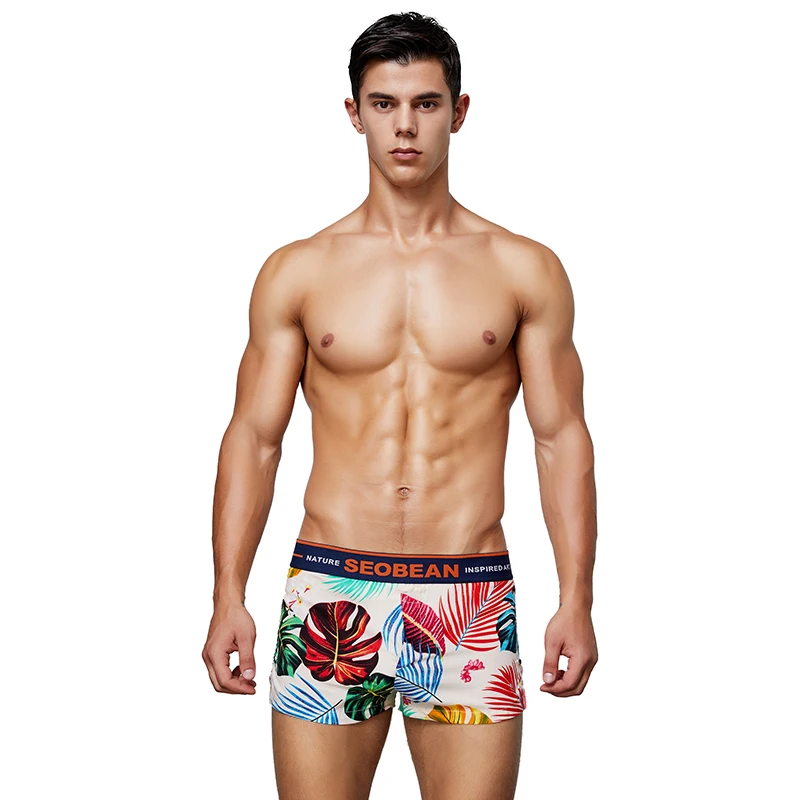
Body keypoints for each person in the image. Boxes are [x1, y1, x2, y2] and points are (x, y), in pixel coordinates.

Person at [202, 10, 598, 800]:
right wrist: (226, 595)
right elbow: (254, 439)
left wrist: (576, 600)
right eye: (384, 104)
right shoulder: (298, 271)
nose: (405, 126)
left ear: (459, 111)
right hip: (330, 587)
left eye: (425, 103)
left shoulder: (523, 269)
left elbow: (560, 438)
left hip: (469, 593)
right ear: (355, 114)